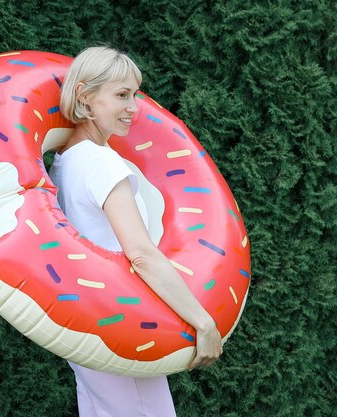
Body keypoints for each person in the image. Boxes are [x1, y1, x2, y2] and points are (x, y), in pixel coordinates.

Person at [49, 46, 222, 417]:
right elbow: (140, 254)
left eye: (136, 95)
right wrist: (204, 322)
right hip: (120, 330)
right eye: (121, 95)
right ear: (85, 97)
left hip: (88, 328)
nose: (134, 107)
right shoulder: (101, 163)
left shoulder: (63, 162)